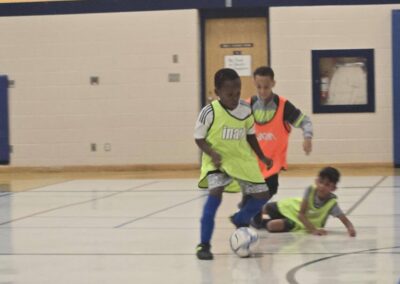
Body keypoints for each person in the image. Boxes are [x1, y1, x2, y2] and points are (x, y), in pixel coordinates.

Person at [194, 68, 273, 260]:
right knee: (215, 195)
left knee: (263, 194)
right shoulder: (209, 112)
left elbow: (250, 135)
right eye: (230, 94)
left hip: (241, 159)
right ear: (217, 92)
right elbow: (199, 138)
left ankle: (240, 218)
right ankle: (204, 244)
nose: (235, 97)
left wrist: (261, 156)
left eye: (238, 93)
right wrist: (212, 153)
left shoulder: (246, 109)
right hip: (217, 161)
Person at [235, 66, 313, 206]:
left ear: (273, 84)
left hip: (272, 163)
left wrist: (307, 137)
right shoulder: (246, 106)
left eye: (266, 87)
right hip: (251, 163)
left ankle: (247, 212)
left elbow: (305, 121)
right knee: (252, 198)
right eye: (259, 87)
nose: (262, 91)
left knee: (270, 190)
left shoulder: (283, 106)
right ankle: (248, 214)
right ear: (254, 83)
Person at [251, 166, 356, 237]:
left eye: (327, 185)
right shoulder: (310, 190)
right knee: (267, 207)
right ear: (316, 181)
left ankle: (256, 222)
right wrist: (313, 230)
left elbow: (344, 220)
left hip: (299, 222)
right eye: (321, 182)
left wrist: (350, 228)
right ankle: (256, 217)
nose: (322, 186)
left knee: (271, 226)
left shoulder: (331, 204)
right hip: (293, 209)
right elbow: (301, 213)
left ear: (334, 188)